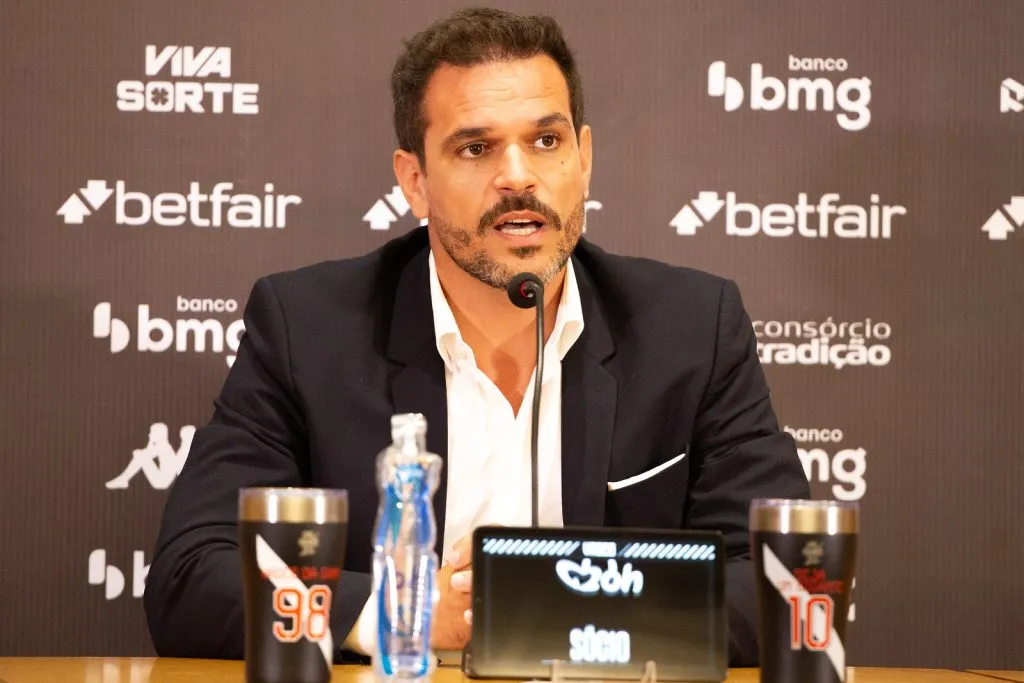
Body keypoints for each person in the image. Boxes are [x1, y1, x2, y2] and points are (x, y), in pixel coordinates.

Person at [144, 7, 809, 666]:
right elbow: (190, 575)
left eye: (546, 141)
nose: (518, 176)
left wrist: (546, 608)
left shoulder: (690, 328)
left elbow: (784, 583)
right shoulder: (309, 328)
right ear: (415, 181)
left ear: (584, 158)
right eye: (475, 147)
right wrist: (404, 612)